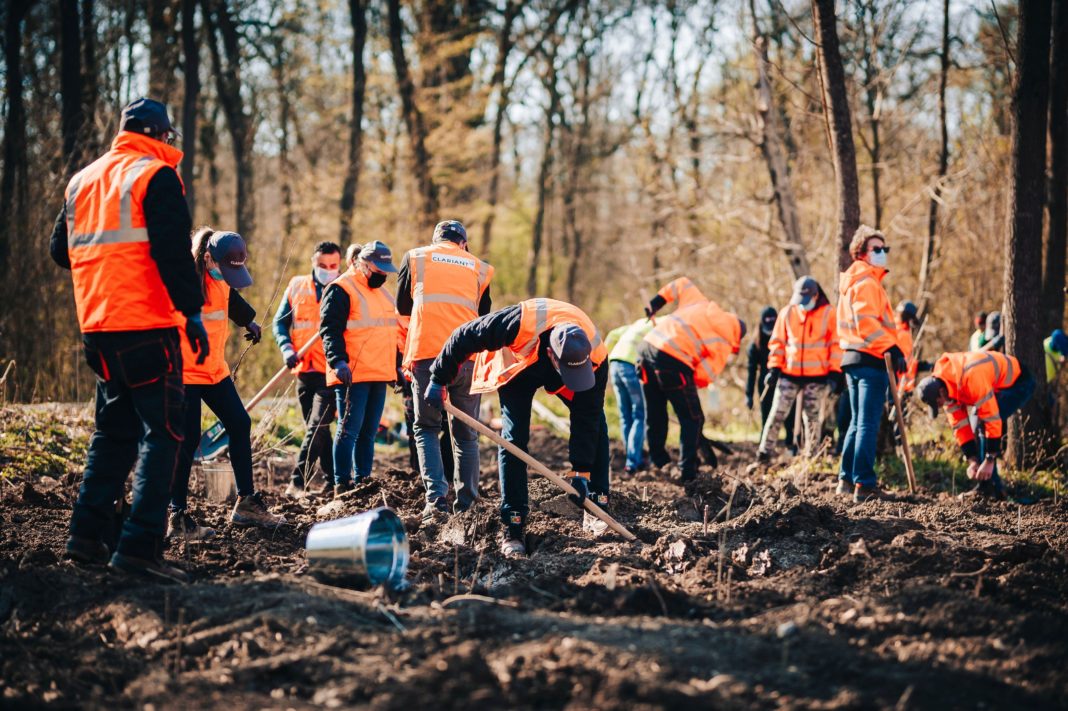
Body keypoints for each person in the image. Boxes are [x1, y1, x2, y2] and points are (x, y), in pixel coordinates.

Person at [51, 98, 205, 583]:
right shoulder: (155, 176)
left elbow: (60, 251)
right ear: (161, 135)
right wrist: (193, 312)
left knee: (113, 431)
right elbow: (173, 253)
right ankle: (139, 547)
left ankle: (87, 535)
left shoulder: (83, 181)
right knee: (164, 435)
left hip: (97, 329)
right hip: (148, 326)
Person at [429, 298, 610, 557]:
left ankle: (597, 505)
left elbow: (587, 418)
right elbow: (464, 335)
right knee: (514, 441)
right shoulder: (516, 323)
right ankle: (513, 525)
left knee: (598, 424)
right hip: (519, 369)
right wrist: (439, 377)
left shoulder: (595, 356)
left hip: (572, 366)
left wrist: (581, 472)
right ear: (552, 356)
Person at [169, 228, 285, 536]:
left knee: (239, 423)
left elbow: (231, 298)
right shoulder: (184, 282)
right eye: (225, 270)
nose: (228, 277)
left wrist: (249, 321)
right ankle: (176, 516)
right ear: (208, 258)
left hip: (213, 371)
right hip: (185, 374)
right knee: (188, 440)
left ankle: (246, 503)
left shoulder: (222, 281)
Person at [396, 220, 494, 521]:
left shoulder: (416, 257)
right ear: (463, 243)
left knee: (426, 427)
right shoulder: (480, 267)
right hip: (466, 357)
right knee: (466, 434)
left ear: (436, 239)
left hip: (427, 355)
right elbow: (484, 315)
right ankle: (467, 503)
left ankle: (436, 502)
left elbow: (402, 306)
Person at [320, 241, 400, 497]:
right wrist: (337, 361)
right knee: (348, 430)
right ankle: (341, 484)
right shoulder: (341, 288)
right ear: (363, 264)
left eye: (386, 271)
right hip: (353, 373)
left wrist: (397, 367)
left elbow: (391, 334)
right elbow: (329, 329)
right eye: (378, 270)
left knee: (368, 432)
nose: (383, 275)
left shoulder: (384, 295)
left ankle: (363, 481)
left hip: (379, 372)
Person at [638, 300, 745, 483]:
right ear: (738, 336)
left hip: (645, 350)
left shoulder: (703, 307)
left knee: (656, 412)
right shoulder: (726, 337)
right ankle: (688, 472)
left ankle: (660, 462)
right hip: (672, 359)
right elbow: (703, 376)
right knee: (693, 418)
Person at [836, 225, 906, 502]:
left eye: (884, 249)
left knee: (856, 423)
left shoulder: (855, 282)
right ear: (861, 253)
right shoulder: (866, 283)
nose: (882, 253)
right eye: (876, 249)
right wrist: (891, 346)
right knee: (866, 423)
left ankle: (845, 478)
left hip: (853, 359)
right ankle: (864, 484)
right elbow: (867, 323)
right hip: (870, 359)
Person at [918, 351, 1035, 499]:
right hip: (995, 386)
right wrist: (972, 459)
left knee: (983, 425)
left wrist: (990, 458)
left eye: (938, 403)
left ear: (941, 392)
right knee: (976, 427)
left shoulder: (971, 377)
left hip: (1018, 383)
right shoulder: (946, 390)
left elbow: (991, 419)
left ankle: (991, 489)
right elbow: (960, 427)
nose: (940, 406)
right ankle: (989, 487)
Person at [274, 241, 341, 497]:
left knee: (317, 427)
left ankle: (297, 482)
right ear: (313, 262)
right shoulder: (296, 286)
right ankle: (334, 480)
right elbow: (280, 324)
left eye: (333, 265)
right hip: (304, 370)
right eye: (322, 265)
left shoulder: (342, 289)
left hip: (330, 371)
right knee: (318, 431)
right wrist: (286, 349)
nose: (328, 269)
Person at [755, 276, 841, 462]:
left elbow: (835, 345)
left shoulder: (829, 314)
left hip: (817, 376)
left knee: (811, 418)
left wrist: (835, 373)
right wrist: (774, 369)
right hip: (789, 374)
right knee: (777, 412)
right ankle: (764, 453)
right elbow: (777, 343)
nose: (802, 304)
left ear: (816, 295)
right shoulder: (787, 312)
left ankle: (811, 456)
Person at [605, 318, 654, 475]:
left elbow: (612, 334)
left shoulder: (637, 323)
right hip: (631, 366)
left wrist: (605, 355)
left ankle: (632, 458)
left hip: (614, 363)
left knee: (625, 416)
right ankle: (634, 461)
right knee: (640, 414)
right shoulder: (661, 327)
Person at [747, 306, 796, 445]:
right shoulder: (755, 345)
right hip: (765, 384)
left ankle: (790, 444)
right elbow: (751, 371)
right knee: (767, 415)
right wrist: (748, 395)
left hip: (784, 380)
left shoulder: (786, 338)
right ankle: (764, 447)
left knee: (789, 415)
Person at [644, 276, 708, 318]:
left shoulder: (704, 308)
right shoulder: (711, 312)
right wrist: (657, 302)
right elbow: (682, 284)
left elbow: (682, 283)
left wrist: (656, 302)